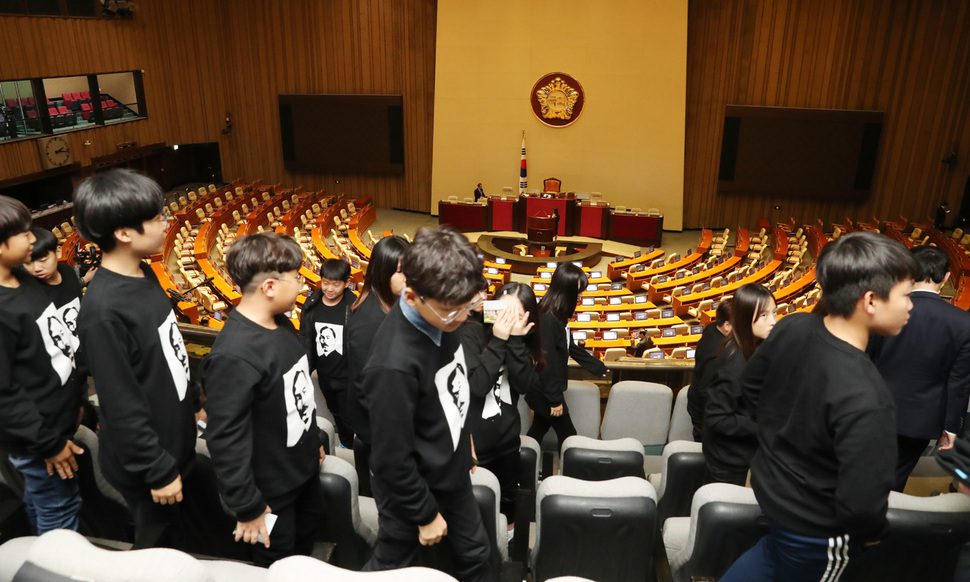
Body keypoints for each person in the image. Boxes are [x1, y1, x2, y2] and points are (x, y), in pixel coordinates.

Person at [720, 232, 918, 582]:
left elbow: (751, 389)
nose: (911, 305)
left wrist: (782, 446)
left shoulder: (792, 326)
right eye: (906, 294)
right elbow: (863, 505)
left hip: (772, 494)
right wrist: (871, 534)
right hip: (816, 532)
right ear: (870, 301)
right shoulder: (867, 396)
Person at [75, 169, 237, 556]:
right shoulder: (103, 311)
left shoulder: (143, 274)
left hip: (177, 444)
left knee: (205, 537)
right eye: (156, 218)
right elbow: (120, 402)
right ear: (124, 233)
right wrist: (158, 470)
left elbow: (169, 353)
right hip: (151, 466)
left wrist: (197, 401)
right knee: (167, 551)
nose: (167, 224)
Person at [361, 226, 493, 580]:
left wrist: (463, 438)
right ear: (411, 297)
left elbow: (449, 390)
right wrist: (425, 514)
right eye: (453, 312)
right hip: (412, 492)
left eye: (469, 306)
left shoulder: (443, 320)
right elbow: (391, 459)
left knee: (478, 555)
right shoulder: (393, 365)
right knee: (391, 567)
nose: (463, 318)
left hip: (451, 473)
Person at [202, 232, 325, 566]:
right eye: (297, 277)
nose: (302, 284)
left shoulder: (282, 324)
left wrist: (312, 439)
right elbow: (225, 438)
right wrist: (249, 506)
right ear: (270, 286)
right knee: (276, 559)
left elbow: (296, 394)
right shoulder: (234, 355)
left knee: (306, 544)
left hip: (303, 472)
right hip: (270, 495)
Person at [0, 196, 83, 535]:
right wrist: (49, 443)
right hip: (40, 440)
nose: (32, 237)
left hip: (57, 424)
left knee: (43, 503)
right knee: (60, 515)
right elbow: (4, 395)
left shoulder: (23, 278)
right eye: (22, 232)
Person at [869, 245, 970, 491]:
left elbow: (865, 358)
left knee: (860, 469)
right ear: (946, 278)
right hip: (921, 419)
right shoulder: (963, 323)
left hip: (871, 408)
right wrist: (951, 427)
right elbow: (959, 382)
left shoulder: (882, 307)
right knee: (895, 478)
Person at [459, 282, 541, 543]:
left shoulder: (524, 341)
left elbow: (524, 386)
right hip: (473, 444)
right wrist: (499, 339)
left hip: (507, 442)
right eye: (502, 311)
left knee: (507, 506)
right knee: (473, 510)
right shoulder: (469, 334)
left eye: (515, 314)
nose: (506, 319)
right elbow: (478, 386)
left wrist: (515, 341)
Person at [343, 235, 409, 493]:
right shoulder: (368, 322)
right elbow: (368, 388)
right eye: (403, 272)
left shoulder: (393, 303)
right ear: (384, 273)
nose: (410, 278)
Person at [527, 263, 607, 451]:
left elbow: (570, 346)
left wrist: (599, 367)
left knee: (538, 430)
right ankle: (573, 472)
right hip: (545, 391)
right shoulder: (548, 318)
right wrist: (555, 399)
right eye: (578, 292)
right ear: (565, 291)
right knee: (568, 436)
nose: (580, 297)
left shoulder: (557, 313)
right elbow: (545, 362)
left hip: (544, 389)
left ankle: (523, 467)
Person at [702, 285, 775, 485]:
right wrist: (763, 426)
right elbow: (717, 417)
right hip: (727, 459)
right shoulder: (736, 361)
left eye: (774, 313)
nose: (773, 322)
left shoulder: (752, 347)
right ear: (744, 318)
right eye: (764, 316)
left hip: (739, 453)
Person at [300, 257, 355, 447]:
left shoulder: (354, 305)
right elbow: (307, 339)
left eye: (335, 284)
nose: (329, 289)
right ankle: (346, 442)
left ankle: (354, 442)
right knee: (335, 410)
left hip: (348, 375)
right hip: (325, 374)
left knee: (350, 414)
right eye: (325, 283)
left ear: (347, 283)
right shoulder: (312, 304)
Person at [687, 300, 733, 442]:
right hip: (704, 414)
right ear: (726, 326)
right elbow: (705, 392)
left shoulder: (712, 327)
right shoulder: (717, 356)